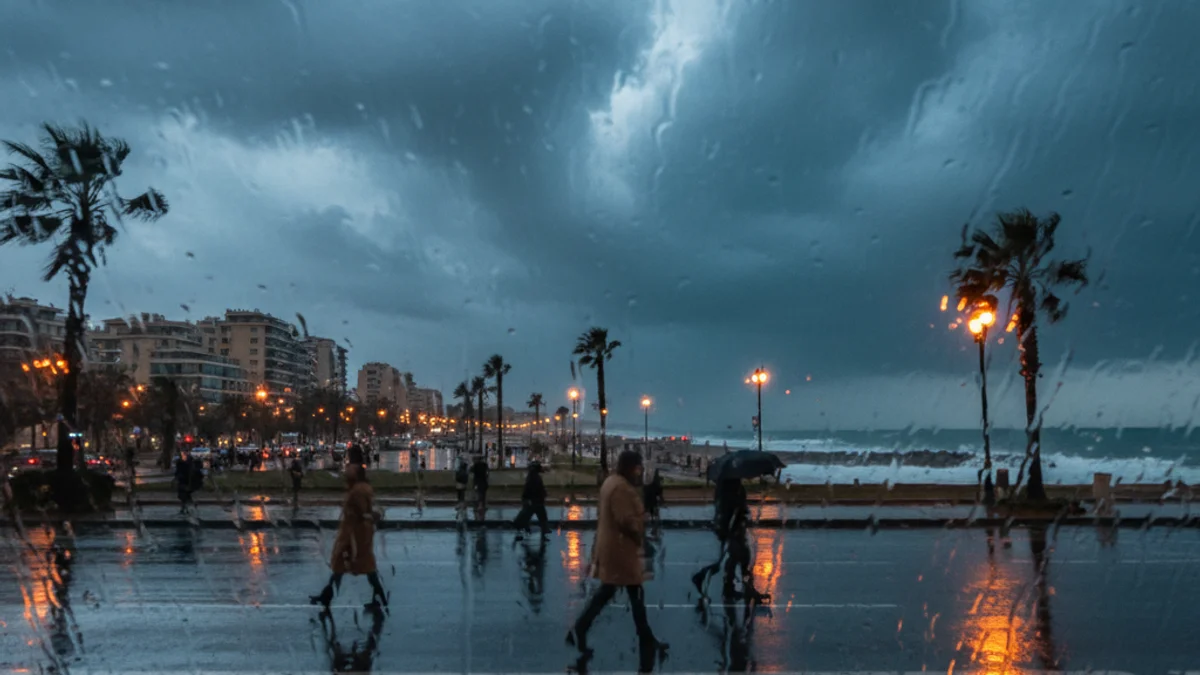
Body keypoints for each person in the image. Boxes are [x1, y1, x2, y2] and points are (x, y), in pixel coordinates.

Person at [567, 450, 667, 655]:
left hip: (615, 548)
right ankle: (581, 628)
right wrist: (642, 519)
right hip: (620, 551)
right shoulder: (621, 488)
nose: (640, 472)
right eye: (638, 468)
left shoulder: (611, 482)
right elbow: (626, 520)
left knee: (627, 594)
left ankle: (645, 638)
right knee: (618, 594)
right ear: (631, 467)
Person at [310, 464, 388, 611]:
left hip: (356, 534)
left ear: (357, 473)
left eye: (350, 469)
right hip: (355, 532)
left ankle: (379, 597)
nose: (347, 470)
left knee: (359, 565)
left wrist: (355, 523)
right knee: (351, 565)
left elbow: (362, 512)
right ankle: (326, 596)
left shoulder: (359, 490)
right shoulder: (358, 488)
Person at [513, 461, 550, 539]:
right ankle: (544, 531)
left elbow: (528, 489)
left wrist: (525, 498)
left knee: (528, 514)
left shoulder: (531, 476)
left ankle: (522, 527)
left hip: (533, 500)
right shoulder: (535, 477)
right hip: (536, 500)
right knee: (541, 516)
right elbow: (538, 489)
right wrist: (544, 494)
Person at [172, 449, 194, 515]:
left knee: (186, 495)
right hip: (182, 480)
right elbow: (177, 471)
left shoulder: (190, 461)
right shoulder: (180, 462)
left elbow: (191, 471)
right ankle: (185, 508)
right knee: (183, 495)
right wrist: (176, 478)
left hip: (187, 480)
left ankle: (186, 508)